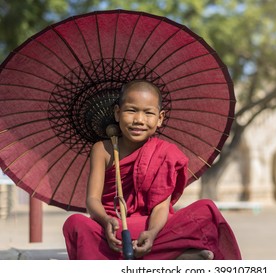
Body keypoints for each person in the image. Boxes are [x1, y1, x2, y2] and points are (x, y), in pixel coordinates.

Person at [62, 80, 242, 260]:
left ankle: (148, 252)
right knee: (75, 223)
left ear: (160, 118)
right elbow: (92, 200)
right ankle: (172, 255)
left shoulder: (165, 153)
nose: (139, 120)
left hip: (151, 226)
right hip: (113, 228)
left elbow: (161, 206)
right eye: (131, 110)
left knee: (206, 210)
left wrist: (152, 233)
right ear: (117, 113)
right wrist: (106, 220)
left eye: (148, 113)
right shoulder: (103, 149)